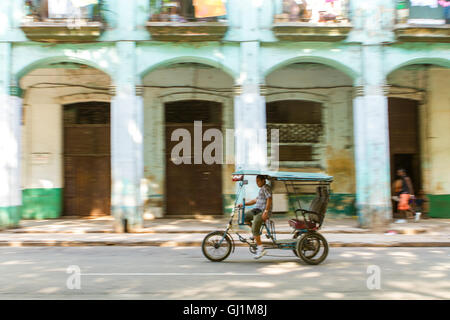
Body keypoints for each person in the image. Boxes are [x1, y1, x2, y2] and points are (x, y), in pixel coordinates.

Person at [237, 175, 272, 259]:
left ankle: (261, 249)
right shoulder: (261, 189)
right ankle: (255, 233)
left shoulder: (266, 188)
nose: (257, 183)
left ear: (263, 180)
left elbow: (269, 199)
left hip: (262, 212)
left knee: (255, 227)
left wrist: (266, 211)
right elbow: (255, 200)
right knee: (244, 217)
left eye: (258, 181)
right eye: (256, 182)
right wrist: (243, 204)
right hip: (257, 210)